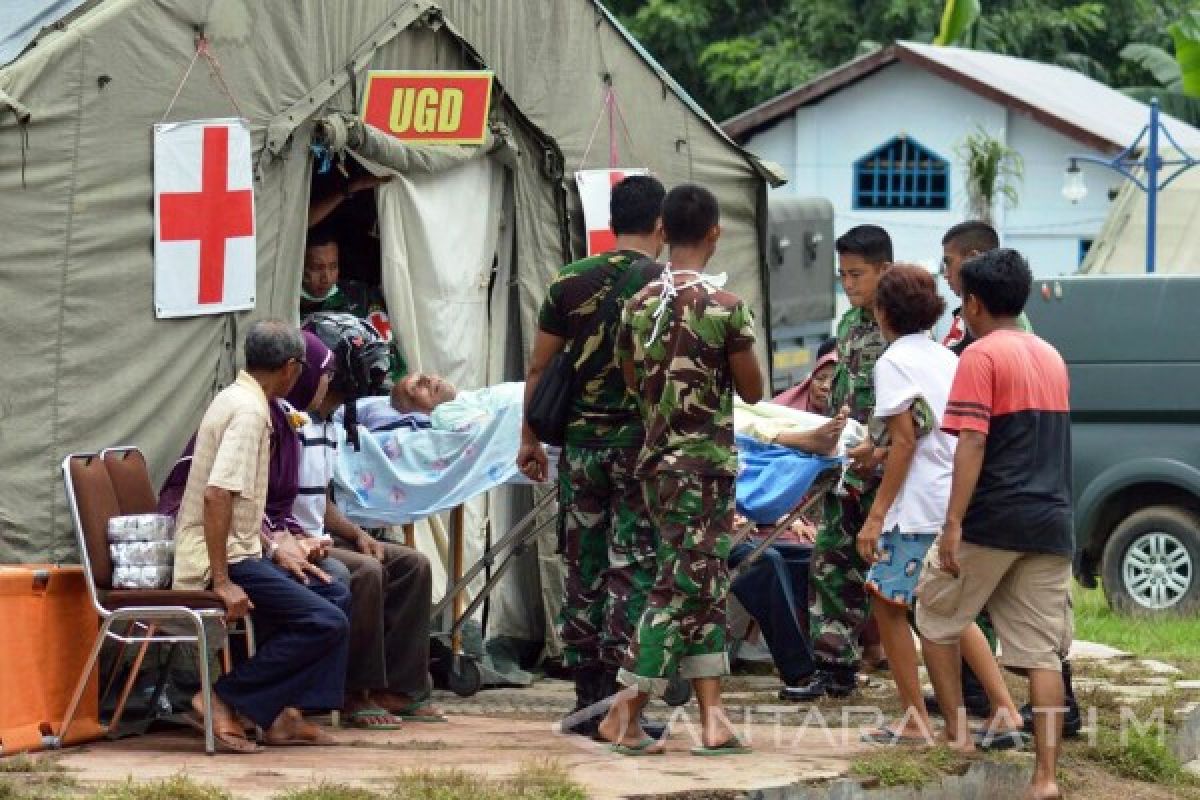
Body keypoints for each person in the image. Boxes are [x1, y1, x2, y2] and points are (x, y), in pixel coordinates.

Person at [597, 183, 763, 756]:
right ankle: (624, 709)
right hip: (703, 468)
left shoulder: (638, 306)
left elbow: (627, 375)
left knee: (706, 586)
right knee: (680, 587)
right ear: (715, 232)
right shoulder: (725, 308)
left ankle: (713, 719)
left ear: (663, 231)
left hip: (657, 464)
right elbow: (752, 388)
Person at [515, 175, 668, 738]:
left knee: (583, 566)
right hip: (639, 451)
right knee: (633, 569)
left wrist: (528, 438)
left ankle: (584, 702)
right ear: (661, 225)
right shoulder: (667, 287)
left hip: (580, 449)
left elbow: (538, 368)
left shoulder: (568, 281)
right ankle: (621, 707)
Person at [918, 249, 1073, 800]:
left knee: (934, 610)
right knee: (1040, 653)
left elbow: (974, 442)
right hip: (1052, 521)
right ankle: (1046, 777)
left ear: (975, 303)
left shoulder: (978, 358)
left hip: (995, 516)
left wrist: (954, 523)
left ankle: (957, 735)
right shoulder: (1051, 355)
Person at [854, 265, 1021, 746]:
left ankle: (916, 718)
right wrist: (882, 449)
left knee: (888, 604)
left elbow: (906, 441)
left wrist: (876, 514)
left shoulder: (891, 363)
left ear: (882, 312)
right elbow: (932, 433)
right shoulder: (949, 358)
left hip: (916, 506)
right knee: (950, 610)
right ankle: (1005, 708)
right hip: (953, 499)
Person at [171, 320, 351, 753]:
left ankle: (281, 713)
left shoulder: (245, 399)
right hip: (224, 557)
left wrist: (277, 548)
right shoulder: (250, 413)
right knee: (325, 621)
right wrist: (221, 580)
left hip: (245, 550)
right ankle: (221, 698)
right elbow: (217, 496)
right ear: (290, 368)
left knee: (334, 594)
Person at [291, 314, 444, 729]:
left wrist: (355, 533)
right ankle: (354, 692)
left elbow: (319, 502)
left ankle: (400, 688)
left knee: (412, 564)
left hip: (319, 537)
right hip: (289, 545)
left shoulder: (329, 424)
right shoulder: (292, 422)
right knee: (366, 573)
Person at [785, 225, 891, 701]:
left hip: (888, 471)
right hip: (847, 464)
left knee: (896, 579)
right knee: (830, 564)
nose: (848, 284)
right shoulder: (848, 327)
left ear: (884, 271)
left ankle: (961, 678)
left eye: (858, 274)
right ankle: (835, 669)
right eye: (842, 275)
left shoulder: (901, 325)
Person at [300, 234, 407, 381]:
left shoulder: (361, 297)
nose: (326, 277)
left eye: (333, 267)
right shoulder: (288, 304)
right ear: (301, 267)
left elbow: (387, 351)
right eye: (317, 268)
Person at [940, 221, 1030, 354]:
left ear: (973, 258)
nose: (946, 275)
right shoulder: (1011, 315)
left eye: (949, 263)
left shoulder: (984, 315)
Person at [392, 373, 524, 432]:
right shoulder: (442, 414)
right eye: (416, 387)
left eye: (424, 375)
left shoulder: (459, 401)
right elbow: (493, 430)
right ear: (415, 413)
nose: (427, 378)